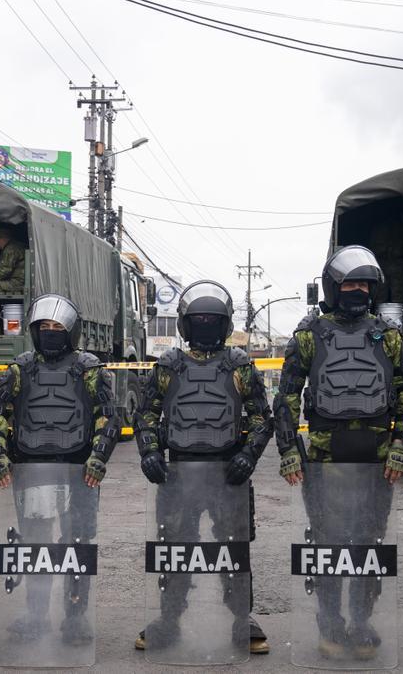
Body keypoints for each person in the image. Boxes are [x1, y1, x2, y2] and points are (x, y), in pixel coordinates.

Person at [273, 246, 403, 659]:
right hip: (324, 459)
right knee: (327, 544)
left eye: (365, 284)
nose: (358, 290)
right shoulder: (309, 335)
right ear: (334, 287)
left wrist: (401, 446)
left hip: (378, 461)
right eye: (351, 283)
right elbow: (285, 398)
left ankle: (361, 621)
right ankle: (330, 625)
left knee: (368, 544)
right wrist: (288, 450)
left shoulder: (389, 336)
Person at [133, 280, 274, 655]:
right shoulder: (168, 366)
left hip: (228, 473)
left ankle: (242, 619)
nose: (207, 324)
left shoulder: (240, 366)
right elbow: (145, 414)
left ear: (225, 324)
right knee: (175, 549)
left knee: (234, 549)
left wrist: (248, 455)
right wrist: (149, 451)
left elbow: (263, 417)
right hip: (179, 473)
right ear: (187, 324)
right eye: (201, 319)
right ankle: (168, 619)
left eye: (214, 319)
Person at [0, 294, 120, 644]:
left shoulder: (88, 369)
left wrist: (98, 458)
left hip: (79, 469)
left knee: (77, 545)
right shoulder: (21, 368)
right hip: (33, 469)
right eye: (43, 326)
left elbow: (110, 416)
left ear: (71, 331)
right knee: (35, 545)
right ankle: (36, 615)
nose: (50, 331)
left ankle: (75, 618)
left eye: (57, 326)